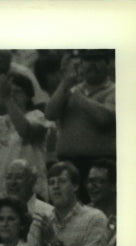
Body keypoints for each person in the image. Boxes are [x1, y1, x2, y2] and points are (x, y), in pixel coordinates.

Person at [24, 161, 109, 246]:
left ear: (75, 186)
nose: (55, 187)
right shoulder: (41, 221)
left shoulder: (95, 218)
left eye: (62, 181)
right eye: (51, 183)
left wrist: (55, 242)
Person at [44, 50, 115, 185]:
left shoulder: (114, 90)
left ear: (108, 64)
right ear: (81, 65)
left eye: (97, 60)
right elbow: (50, 114)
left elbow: (104, 119)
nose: (92, 65)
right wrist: (64, 83)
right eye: (87, 61)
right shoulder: (70, 89)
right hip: (68, 164)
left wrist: (76, 95)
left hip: (100, 165)